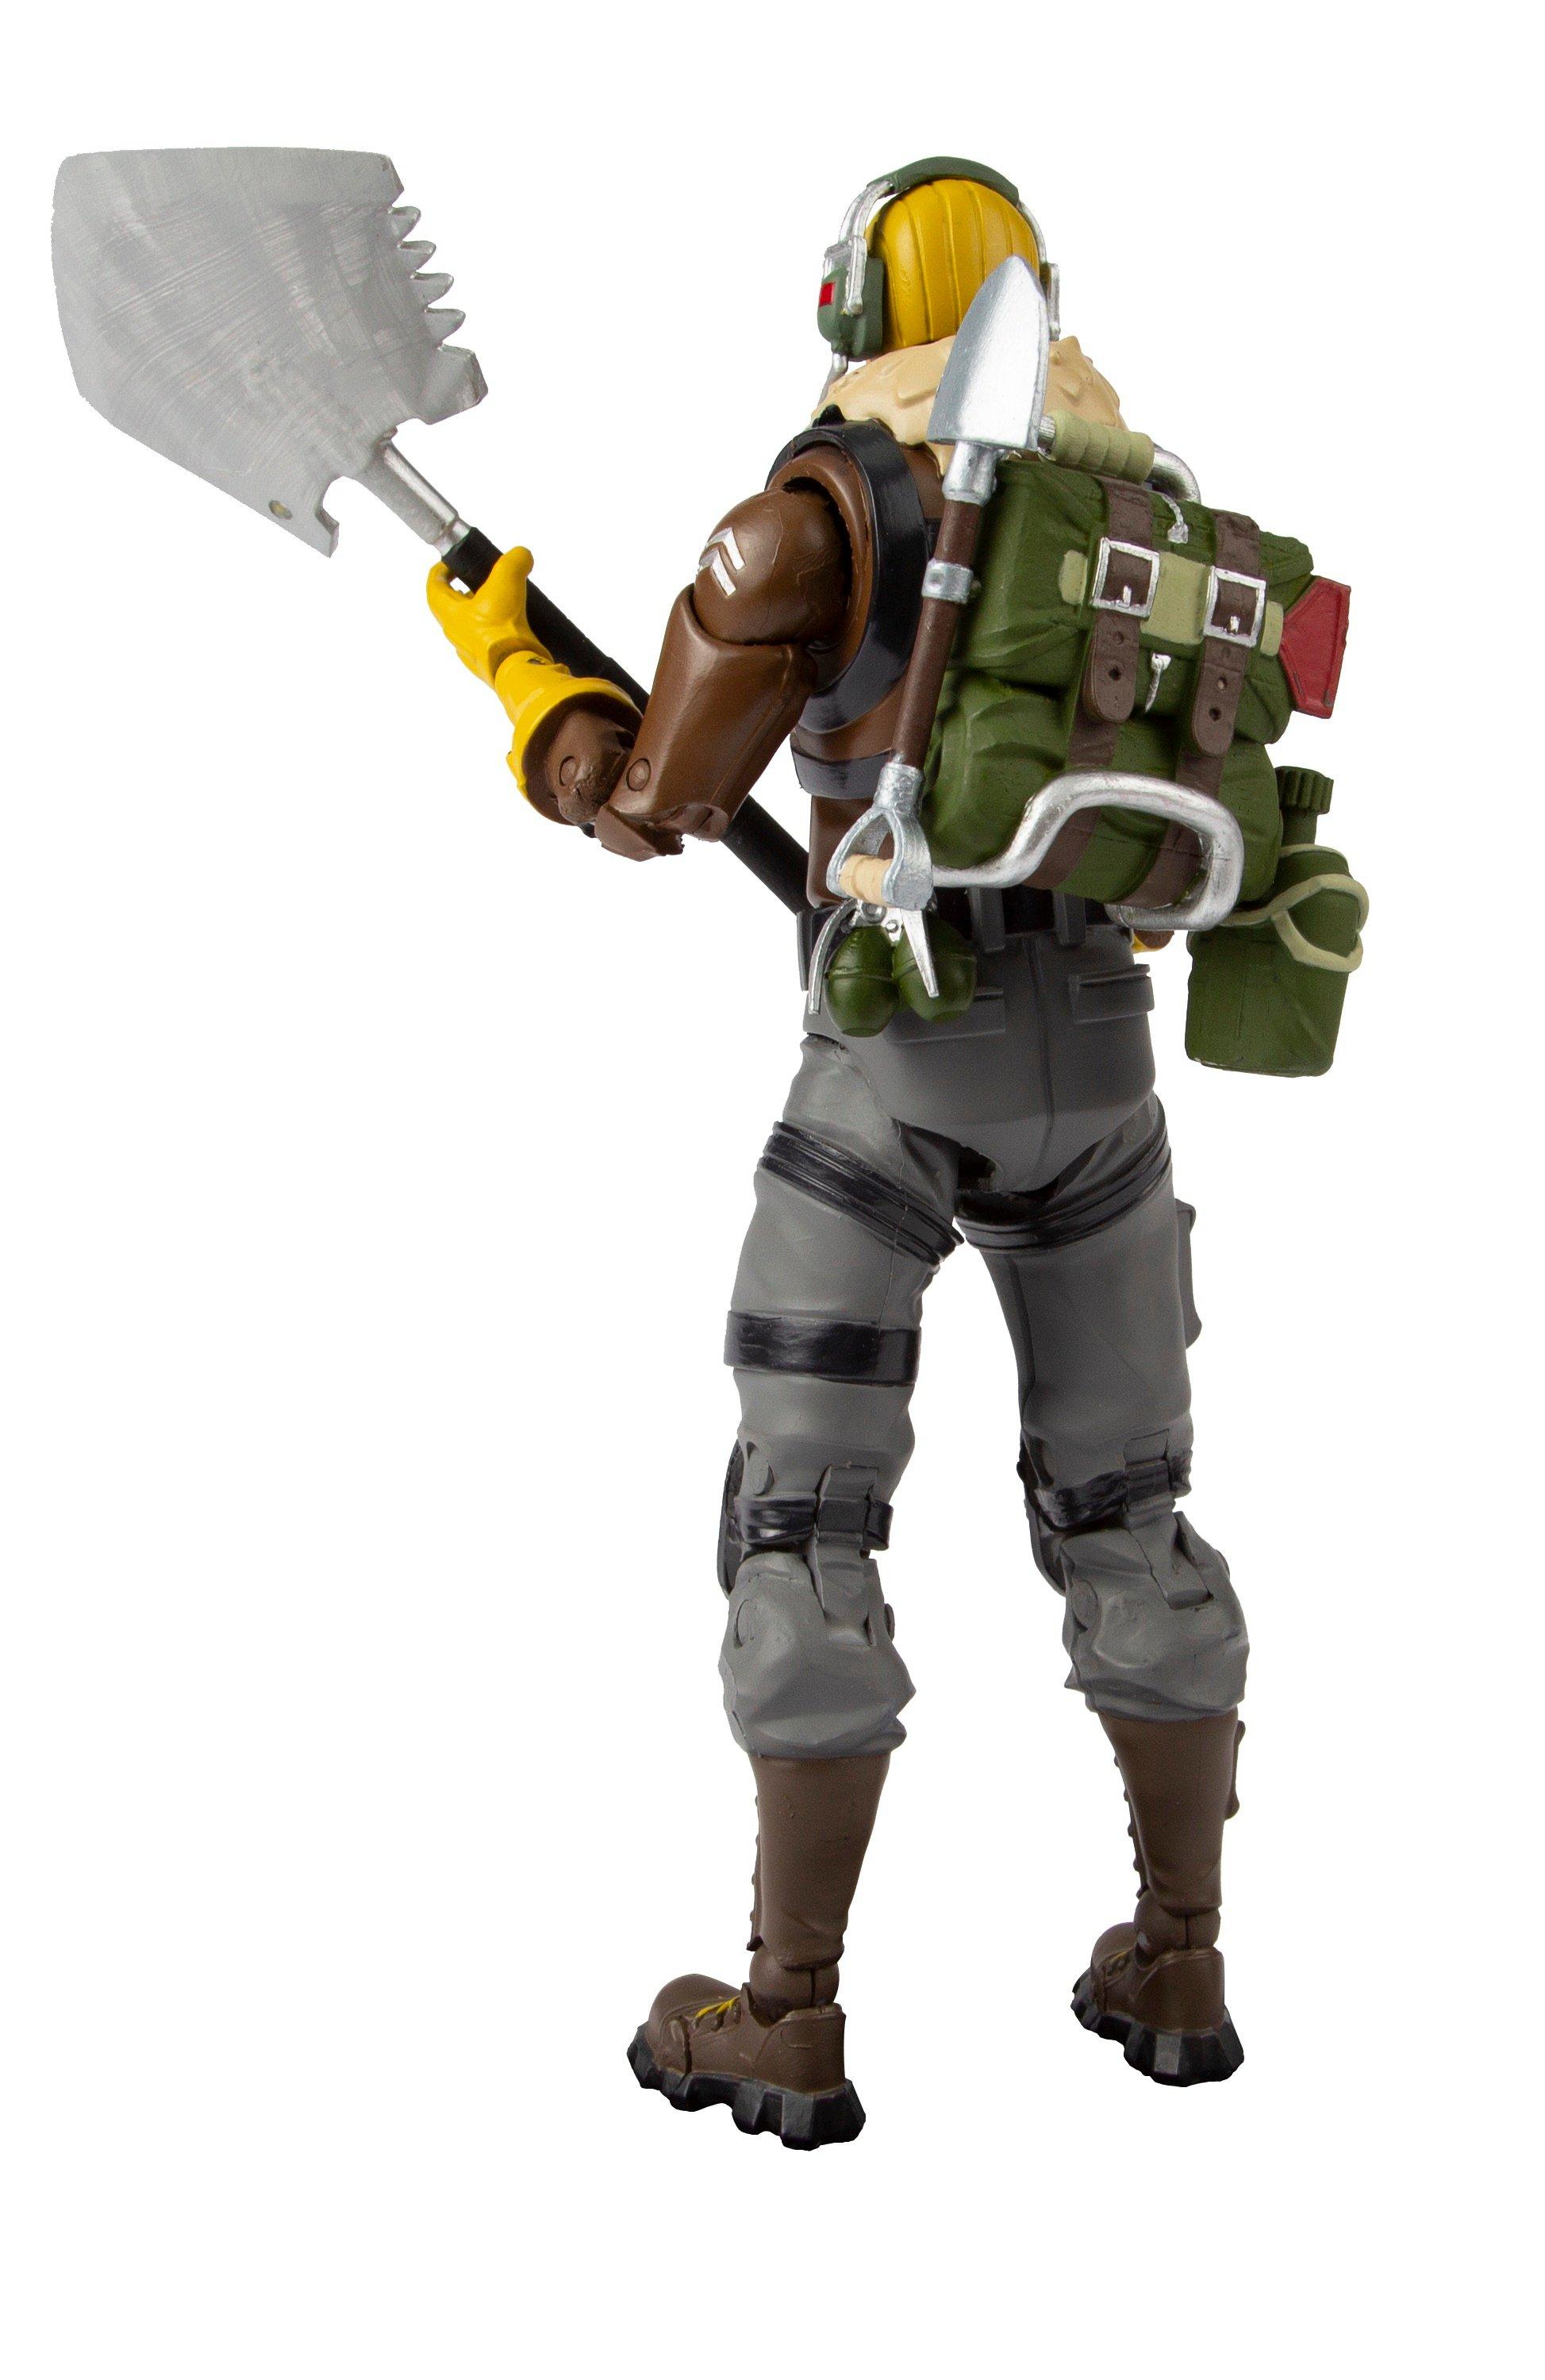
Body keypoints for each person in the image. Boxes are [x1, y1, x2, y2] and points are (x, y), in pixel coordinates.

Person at [429, 160, 1268, 2147]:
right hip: (1101, 1073)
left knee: (801, 1523)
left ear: (849, 306)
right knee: (1129, 1510)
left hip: (893, 1077)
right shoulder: (1142, 518)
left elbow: (647, 802)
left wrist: (523, 681)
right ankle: (1178, 1959)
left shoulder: (813, 514)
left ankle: (786, 2016)